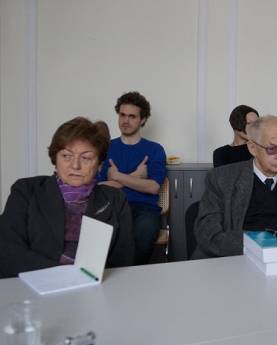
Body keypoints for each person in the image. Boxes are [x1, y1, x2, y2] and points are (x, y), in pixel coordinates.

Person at [0, 117, 134, 278]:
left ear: (99, 164)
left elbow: (123, 261)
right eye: (66, 156)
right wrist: (65, 277)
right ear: (55, 159)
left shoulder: (115, 199)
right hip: (32, 286)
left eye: (86, 158)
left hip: (95, 287)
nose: (75, 165)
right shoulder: (26, 191)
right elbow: (8, 252)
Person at [192, 115, 277, 258]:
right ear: (253, 148)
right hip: (236, 258)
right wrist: (264, 245)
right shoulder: (222, 179)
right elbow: (209, 235)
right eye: (272, 149)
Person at [98, 91, 166, 265]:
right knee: (99, 232)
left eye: (132, 116)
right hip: (111, 206)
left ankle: (129, 274)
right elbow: (98, 187)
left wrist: (117, 176)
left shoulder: (154, 149)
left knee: (145, 230)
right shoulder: (107, 148)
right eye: (122, 115)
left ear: (142, 120)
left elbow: (153, 187)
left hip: (144, 209)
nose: (125, 121)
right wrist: (136, 177)